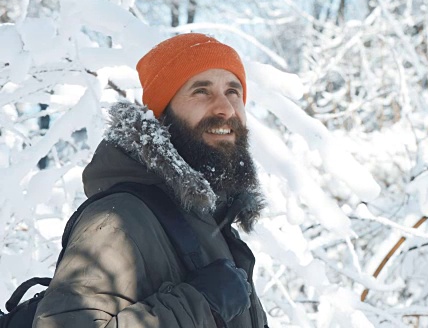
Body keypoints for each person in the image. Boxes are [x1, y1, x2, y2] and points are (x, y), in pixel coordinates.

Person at [33, 33, 269, 327]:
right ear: (162, 116)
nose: (225, 108)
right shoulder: (120, 219)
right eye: (201, 91)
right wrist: (198, 305)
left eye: (233, 91)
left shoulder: (212, 224)